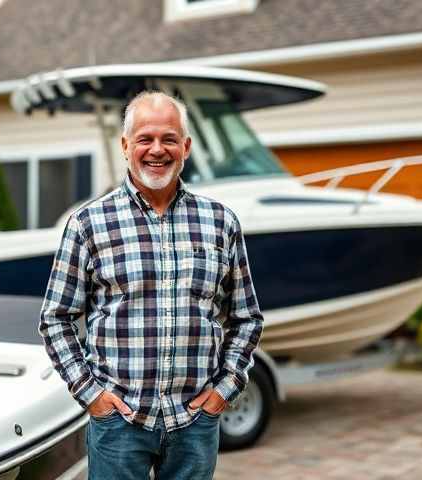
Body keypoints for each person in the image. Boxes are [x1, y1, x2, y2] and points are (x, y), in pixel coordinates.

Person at [39, 90, 263, 480]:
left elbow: (246, 319)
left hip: (195, 423)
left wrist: (223, 391)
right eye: (145, 138)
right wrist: (92, 396)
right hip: (118, 424)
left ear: (186, 147)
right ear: (125, 145)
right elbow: (55, 319)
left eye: (169, 139)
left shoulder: (220, 222)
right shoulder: (88, 224)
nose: (156, 150)